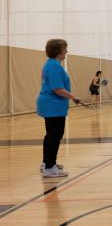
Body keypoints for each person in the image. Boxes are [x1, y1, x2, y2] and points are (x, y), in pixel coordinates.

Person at [37, 39, 80, 178]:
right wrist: (73, 96)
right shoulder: (54, 66)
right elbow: (57, 88)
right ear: (58, 50)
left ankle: (47, 163)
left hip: (52, 105)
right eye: (65, 48)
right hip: (53, 105)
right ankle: (50, 167)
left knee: (50, 135)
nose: (66, 51)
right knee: (55, 136)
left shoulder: (51, 64)